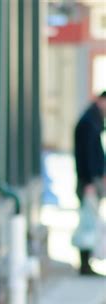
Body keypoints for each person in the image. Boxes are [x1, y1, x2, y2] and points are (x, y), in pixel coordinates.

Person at [73, 91, 106, 275]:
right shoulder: (89, 122)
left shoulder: (94, 121)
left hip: (90, 180)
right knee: (87, 222)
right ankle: (85, 264)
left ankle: (87, 263)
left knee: (90, 222)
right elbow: (86, 155)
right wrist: (89, 180)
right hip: (88, 181)